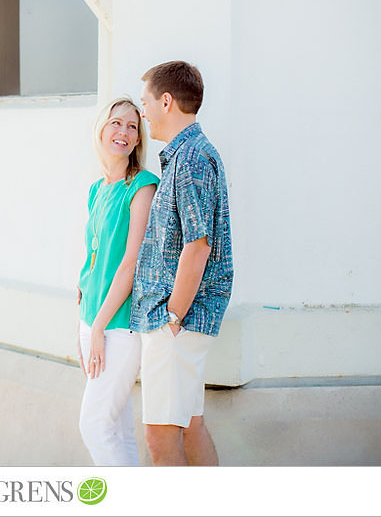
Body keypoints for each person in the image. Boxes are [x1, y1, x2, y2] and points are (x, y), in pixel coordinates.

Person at [130, 60, 234, 466]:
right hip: (180, 321)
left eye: (145, 102)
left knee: (159, 438)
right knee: (190, 428)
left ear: (167, 101)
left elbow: (198, 246)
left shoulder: (190, 159)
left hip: (176, 321)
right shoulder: (189, 155)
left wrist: (172, 316)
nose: (143, 112)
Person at [76, 97, 159, 466]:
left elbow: (129, 265)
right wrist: (83, 322)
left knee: (94, 425)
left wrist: (97, 329)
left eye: (132, 126)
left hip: (118, 327)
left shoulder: (142, 185)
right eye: (116, 123)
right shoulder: (97, 190)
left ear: (139, 138)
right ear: (101, 128)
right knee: (118, 428)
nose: (124, 132)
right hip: (91, 320)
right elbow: (93, 259)